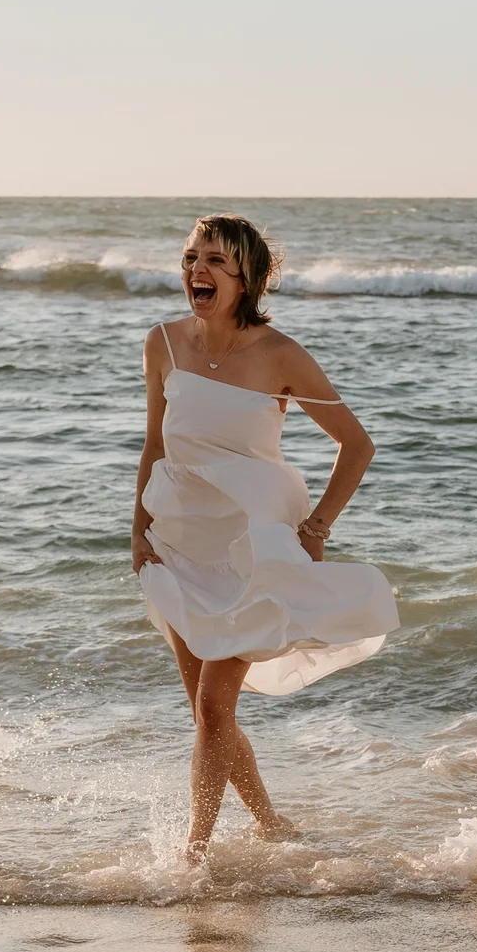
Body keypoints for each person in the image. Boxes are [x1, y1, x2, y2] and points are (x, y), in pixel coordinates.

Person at [130, 214, 397, 857]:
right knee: (206, 709)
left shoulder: (281, 356)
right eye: (192, 257)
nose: (199, 270)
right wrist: (138, 532)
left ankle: (194, 850)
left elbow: (357, 446)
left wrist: (316, 526)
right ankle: (270, 825)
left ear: (247, 277)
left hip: (252, 549)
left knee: (215, 707)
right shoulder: (162, 344)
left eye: (216, 261)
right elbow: (153, 444)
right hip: (179, 543)